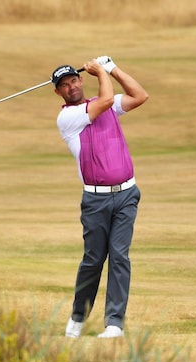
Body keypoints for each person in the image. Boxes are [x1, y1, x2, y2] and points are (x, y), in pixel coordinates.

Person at [52, 56, 149, 338]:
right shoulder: (68, 118)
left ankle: (114, 324)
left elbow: (140, 95)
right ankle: (78, 320)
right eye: (64, 85)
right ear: (57, 92)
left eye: (73, 80)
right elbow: (105, 100)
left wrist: (113, 68)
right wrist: (100, 72)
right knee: (93, 260)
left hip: (126, 194)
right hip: (95, 201)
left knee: (119, 257)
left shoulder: (106, 106)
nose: (70, 87)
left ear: (80, 81)